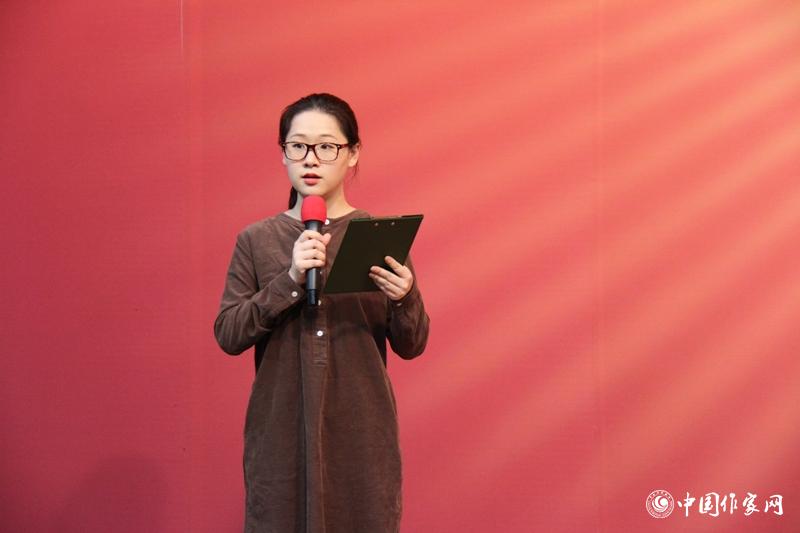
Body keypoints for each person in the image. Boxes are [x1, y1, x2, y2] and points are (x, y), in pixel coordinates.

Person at [214, 93, 430, 533]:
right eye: (298, 146)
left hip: (361, 432)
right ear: (283, 154)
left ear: (353, 153)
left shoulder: (379, 238)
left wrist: (404, 297)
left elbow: (412, 344)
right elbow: (229, 333)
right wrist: (291, 278)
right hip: (281, 433)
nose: (311, 159)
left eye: (327, 146)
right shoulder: (257, 240)